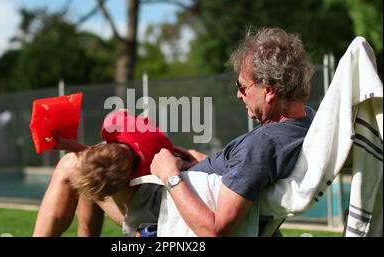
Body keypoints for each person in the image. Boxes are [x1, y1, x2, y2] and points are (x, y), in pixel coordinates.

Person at [150, 26, 316, 236]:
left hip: (175, 205)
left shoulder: (263, 145)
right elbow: (247, 170)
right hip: (200, 178)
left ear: (269, 92)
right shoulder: (308, 121)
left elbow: (215, 230)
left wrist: (170, 175)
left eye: (242, 87)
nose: (239, 95)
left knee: (103, 172)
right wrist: (208, 162)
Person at [32, 109, 188, 236]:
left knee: (73, 167)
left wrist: (74, 148)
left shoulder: (137, 174)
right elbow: (122, 114)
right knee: (92, 174)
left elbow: (121, 112)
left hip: (154, 218)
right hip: (163, 185)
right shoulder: (117, 126)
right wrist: (71, 145)